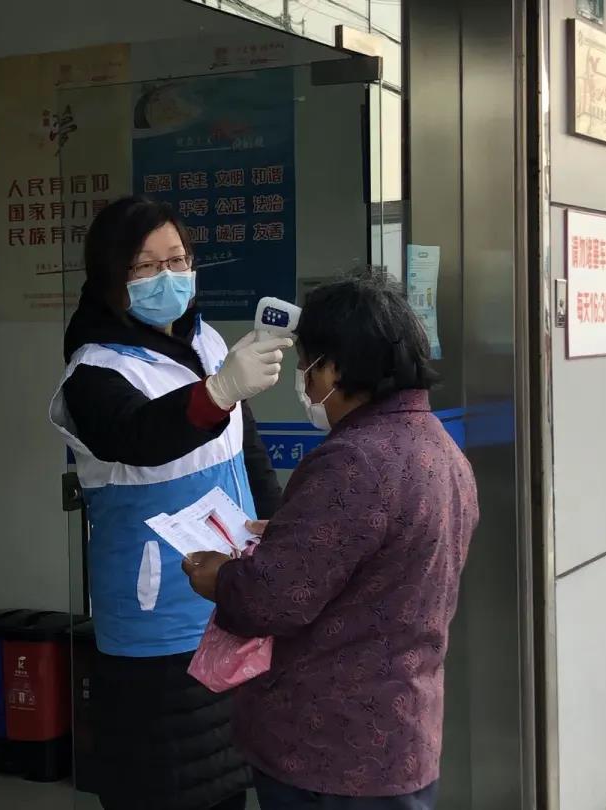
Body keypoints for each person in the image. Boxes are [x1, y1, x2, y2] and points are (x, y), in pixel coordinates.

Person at [182, 275, 479, 810]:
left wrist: (218, 576)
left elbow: (270, 599)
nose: (304, 380)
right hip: (401, 735)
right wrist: (291, 533)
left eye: (307, 366)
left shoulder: (353, 460)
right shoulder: (438, 447)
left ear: (335, 369)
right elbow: (381, 557)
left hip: (329, 752)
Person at [49, 196, 290, 810]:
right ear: (110, 278)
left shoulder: (207, 342)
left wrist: (282, 535)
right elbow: (140, 437)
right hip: (156, 622)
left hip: (230, 599)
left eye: (177, 260)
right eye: (145, 266)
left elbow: (248, 454)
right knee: (164, 784)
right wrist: (219, 392)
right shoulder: (93, 373)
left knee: (229, 780)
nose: (168, 277)